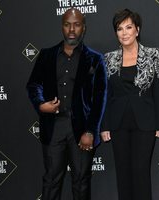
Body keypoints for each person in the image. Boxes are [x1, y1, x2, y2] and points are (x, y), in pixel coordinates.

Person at [26, 8, 107, 200]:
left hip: (81, 130)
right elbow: (33, 84)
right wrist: (40, 105)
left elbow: (100, 97)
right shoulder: (46, 55)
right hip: (53, 128)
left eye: (77, 24)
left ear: (84, 28)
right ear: (62, 26)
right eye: (67, 24)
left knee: (81, 181)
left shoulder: (95, 59)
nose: (72, 29)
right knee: (51, 180)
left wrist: (90, 130)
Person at [100, 8, 159, 200]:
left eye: (128, 27)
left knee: (140, 171)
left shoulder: (153, 55)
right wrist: (104, 126)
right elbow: (105, 94)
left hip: (145, 122)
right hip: (117, 122)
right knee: (123, 172)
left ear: (137, 30)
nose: (124, 32)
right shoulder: (108, 59)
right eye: (120, 29)